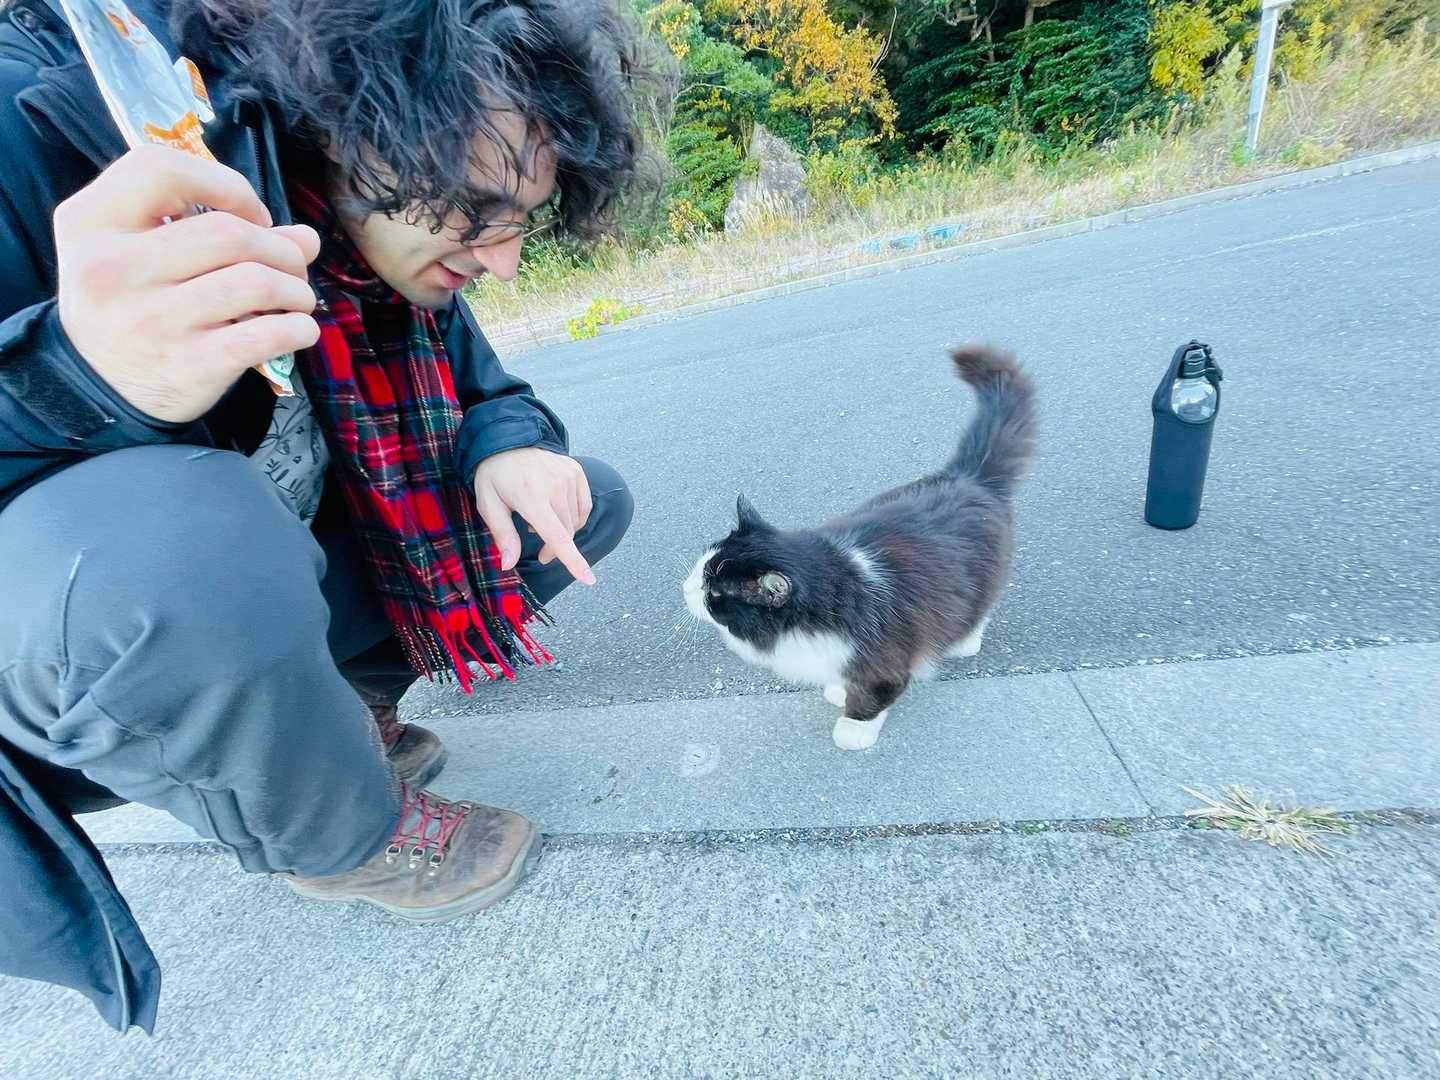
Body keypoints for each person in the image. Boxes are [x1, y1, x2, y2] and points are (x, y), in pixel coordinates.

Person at [0, 0, 639, 1032]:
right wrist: (76, 376)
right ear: (353, 128)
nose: (505, 261)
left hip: (271, 580)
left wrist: (511, 443)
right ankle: (344, 837)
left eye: (522, 219)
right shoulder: (29, 113)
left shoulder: (349, 226)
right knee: (190, 537)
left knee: (576, 496)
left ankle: (345, 719)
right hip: (71, 667)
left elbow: (487, 387)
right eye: (480, 211)